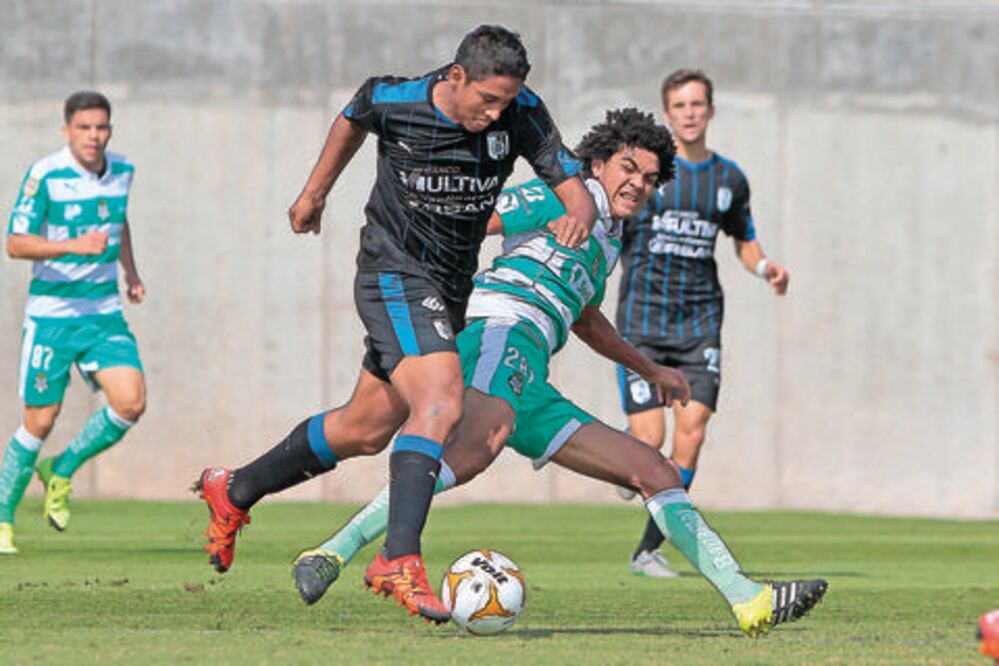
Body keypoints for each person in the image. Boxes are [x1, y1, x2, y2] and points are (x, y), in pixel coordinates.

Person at [291, 108, 827, 636]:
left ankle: (747, 599)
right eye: (627, 168)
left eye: (648, 177)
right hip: (499, 333)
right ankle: (334, 552)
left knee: (654, 472)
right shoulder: (560, 195)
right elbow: (470, 220)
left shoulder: (608, 241)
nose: (638, 183)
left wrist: (651, 369)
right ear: (596, 164)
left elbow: (587, 320)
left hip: (532, 378)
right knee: (474, 450)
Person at [193, 25, 596, 623]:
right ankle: (398, 558)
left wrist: (580, 213)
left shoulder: (523, 114)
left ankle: (235, 489)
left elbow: (572, 185)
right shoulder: (398, 99)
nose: (495, 112)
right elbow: (351, 117)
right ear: (455, 77)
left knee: (364, 428)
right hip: (393, 272)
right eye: (487, 99)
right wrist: (315, 193)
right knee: (440, 400)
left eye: (505, 101)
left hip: (451, 286)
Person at [615, 69, 790, 578]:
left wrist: (764, 267)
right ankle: (617, 455)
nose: (689, 113)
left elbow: (744, 239)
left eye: (697, 104)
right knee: (647, 443)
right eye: (680, 106)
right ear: (666, 114)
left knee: (691, 432)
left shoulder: (728, 179)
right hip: (642, 322)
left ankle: (648, 549)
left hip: (699, 324)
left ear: (709, 110)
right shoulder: (646, 174)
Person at [0, 91, 147, 554]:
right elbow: (16, 243)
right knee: (39, 420)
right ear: (67, 130)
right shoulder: (45, 175)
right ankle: (2, 518)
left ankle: (61, 469)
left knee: (131, 402)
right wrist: (73, 246)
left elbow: (119, 224)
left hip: (103, 313)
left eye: (101, 127)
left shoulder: (121, 171)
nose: (94, 137)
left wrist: (132, 272)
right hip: (52, 318)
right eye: (84, 128)